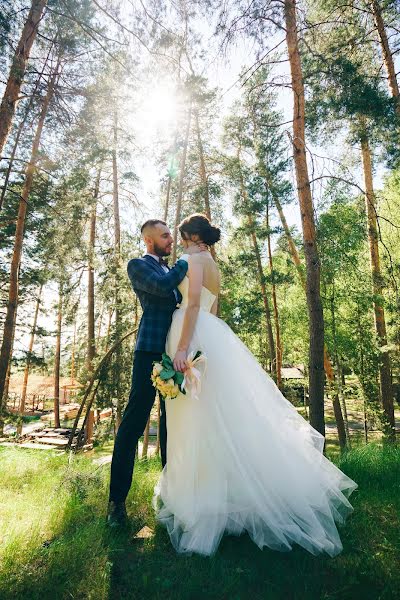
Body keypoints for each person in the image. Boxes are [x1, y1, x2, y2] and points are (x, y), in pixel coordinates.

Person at [153, 213, 358, 557]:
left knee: (197, 418)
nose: (180, 241)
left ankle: (204, 497)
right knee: (220, 416)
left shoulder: (191, 259)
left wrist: (186, 348)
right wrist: (207, 344)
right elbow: (212, 308)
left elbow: (190, 304)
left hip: (193, 335)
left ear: (191, 236)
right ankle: (226, 490)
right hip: (213, 335)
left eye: (182, 236)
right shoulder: (212, 263)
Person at [107, 219, 201, 526]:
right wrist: (188, 260)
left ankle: (171, 497)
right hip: (149, 351)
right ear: (149, 241)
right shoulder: (138, 266)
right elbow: (162, 288)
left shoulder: (170, 268)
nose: (170, 240)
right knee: (134, 422)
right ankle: (116, 503)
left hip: (173, 353)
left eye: (171, 236)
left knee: (172, 426)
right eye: (164, 236)